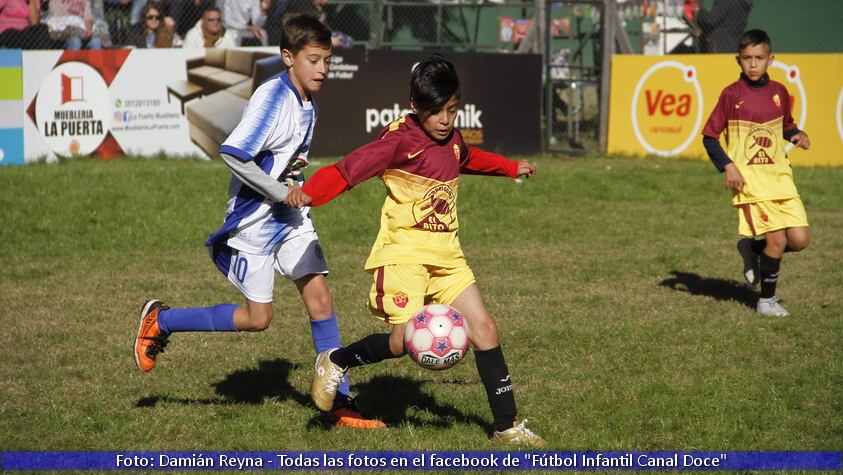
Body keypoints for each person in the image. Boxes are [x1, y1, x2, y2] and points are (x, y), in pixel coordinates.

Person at [133, 13, 384, 430]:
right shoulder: (272, 97)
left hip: (291, 216)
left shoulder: (309, 104)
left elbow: (291, 165)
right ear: (288, 58)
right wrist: (279, 189)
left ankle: (340, 402)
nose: (322, 69)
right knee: (258, 319)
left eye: (327, 61)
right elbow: (233, 153)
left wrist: (300, 192)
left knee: (320, 298)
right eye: (314, 60)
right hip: (254, 220)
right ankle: (161, 319)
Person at [292, 55, 546, 446]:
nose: (445, 120)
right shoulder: (399, 142)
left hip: (447, 255)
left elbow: (468, 157)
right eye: (436, 112)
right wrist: (311, 194)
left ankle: (506, 427)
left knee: (486, 330)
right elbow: (348, 170)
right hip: (404, 253)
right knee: (402, 342)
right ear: (415, 107)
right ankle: (337, 360)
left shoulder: (452, 137)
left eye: (452, 110)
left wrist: (510, 168)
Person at [701, 29, 811, 317]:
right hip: (752, 184)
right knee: (776, 240)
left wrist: (797, 134)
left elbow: (786, 125)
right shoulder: (731, 94)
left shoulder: (779, 93)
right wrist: (728, 165)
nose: (753, 64)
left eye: (759, 58)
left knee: (799, 240)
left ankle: (751, 248)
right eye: (747, 58)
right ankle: (766, 301)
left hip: (781, 179)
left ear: (770, 59)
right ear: (738, 60)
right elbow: (710, 136)